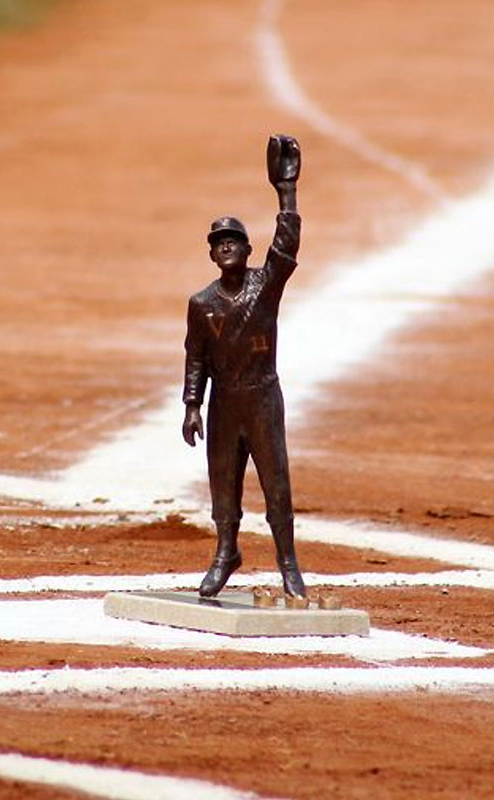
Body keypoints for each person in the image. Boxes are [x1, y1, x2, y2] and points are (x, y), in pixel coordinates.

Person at [181, 134, 306, 598]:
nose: (227, 247)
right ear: (212, 254)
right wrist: (192, 404)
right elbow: (195, 354)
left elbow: (287, 246)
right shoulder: (202, 302)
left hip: (261, 397)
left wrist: (286, 191)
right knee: (223, 484)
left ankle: (288, 561)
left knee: (276, 482)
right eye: (219, 243)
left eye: (235, 240)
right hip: (224, 402)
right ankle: (225, 552)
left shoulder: (264, 286)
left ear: (248, 251)